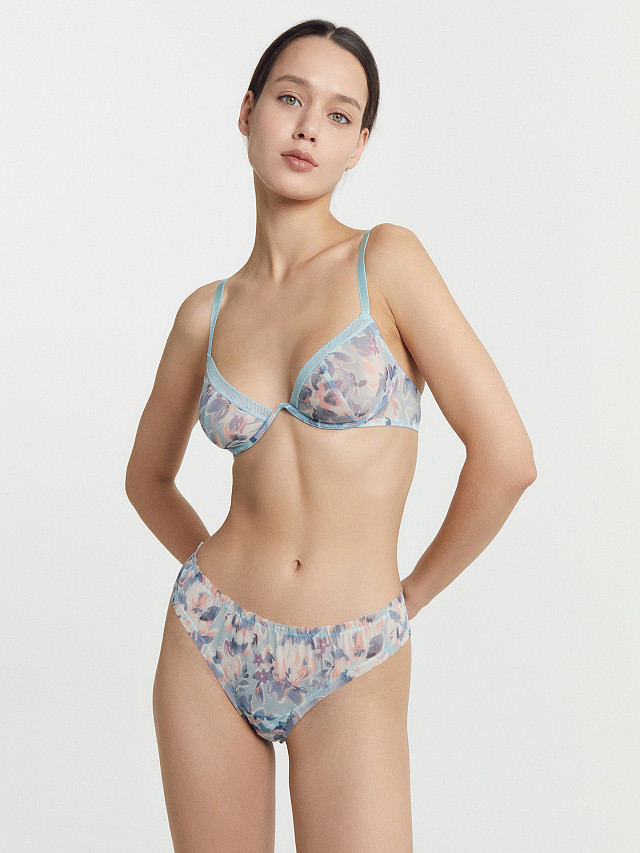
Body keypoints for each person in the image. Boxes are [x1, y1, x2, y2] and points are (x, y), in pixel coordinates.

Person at [125, 18, 536, 852]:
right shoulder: (205, 313)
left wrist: (408, 598)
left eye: (340, 114)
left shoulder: (387, 262)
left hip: (355, 650)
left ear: (359, 146)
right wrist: (213, 587)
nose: (309, 126)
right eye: (290, 99)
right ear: (248, 112)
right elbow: (147, 480)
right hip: (209, 641)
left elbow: (507, 458)